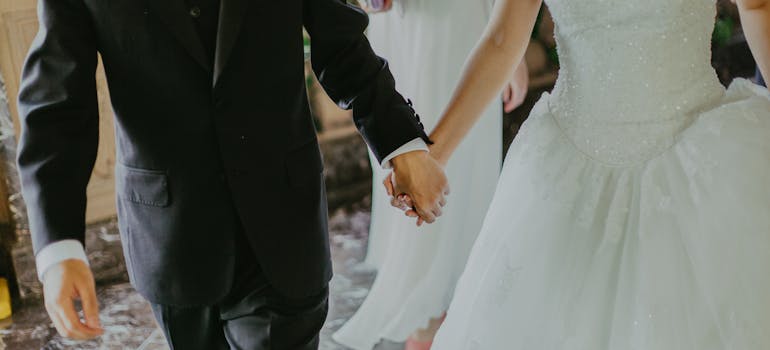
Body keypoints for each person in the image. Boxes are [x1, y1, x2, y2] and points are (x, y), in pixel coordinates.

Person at [15, 0, 450, 348]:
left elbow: (341, 42)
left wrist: (400, 144)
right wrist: (57, 247)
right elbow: (57, 104)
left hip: (282, 225)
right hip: (170, 238)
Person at [392, 0, 770, 348]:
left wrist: (433, 155)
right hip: (584, 166)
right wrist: (430, 156)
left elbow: (503, 40)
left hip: (663, 163)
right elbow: (757, 7)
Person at [334, 0, 528, 348]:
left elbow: (505, 34)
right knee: (406, 141)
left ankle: (451, 297)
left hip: (459, 18)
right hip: (400, 24)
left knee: (464, 156)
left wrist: (513, 39)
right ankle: (427, 303)